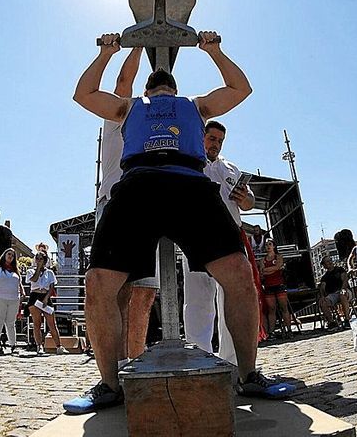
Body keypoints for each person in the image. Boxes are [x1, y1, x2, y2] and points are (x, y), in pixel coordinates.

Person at [65, 31, 292, 414]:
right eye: (158, 90)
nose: (161, 93)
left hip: (189, 183)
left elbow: (240, 89)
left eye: (164, 89)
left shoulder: (195, 107)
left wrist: (213, 50)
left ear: (171, 89)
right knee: (99, 281)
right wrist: (106, 53)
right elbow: (84, 95)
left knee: (238, 272)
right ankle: (108, 384)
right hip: (137, 184)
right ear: (151, 91)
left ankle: (249, 375)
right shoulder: (130, 107)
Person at [98, 47, 159, 364]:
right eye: (148, 92)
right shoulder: (122, 112)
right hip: (114, 200)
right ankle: (117, 370)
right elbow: (123, 81)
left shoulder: (157, 126)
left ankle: (135, 364)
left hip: (144, 207)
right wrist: (139, 42)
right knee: (118, 290)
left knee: (146, 292)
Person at [184, 120, 262, 362]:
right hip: (196, 235)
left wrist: (246, 199)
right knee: (198, 301)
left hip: (230, 238)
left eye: (220, 140)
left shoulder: (230, 168)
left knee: (232, 299)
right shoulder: (189, 162)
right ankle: (201, 361)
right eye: (211, 138)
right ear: (201, 137)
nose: (215, 144)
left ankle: (234, 362)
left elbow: (249, 202)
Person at [26, 251, 67, 356]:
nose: (39, 261)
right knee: (37, 323)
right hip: (35, 296)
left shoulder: (49, 273)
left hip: (45, 296)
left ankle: (59, 346)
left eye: (41, 259)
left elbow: (52, 286)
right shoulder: (30, 271)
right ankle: (39, 346)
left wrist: (46, 299)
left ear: (45, 260)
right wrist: (38, 269)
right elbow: (33, 280)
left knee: (52, 323)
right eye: (37, 259)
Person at [0, 249, 24, 354]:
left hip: (13, 299)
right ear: (4, 255)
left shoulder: (15, 270)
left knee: (11, 323)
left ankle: (13, 345)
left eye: (12, 255)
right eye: (9, 254)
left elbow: (19, 283)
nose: (10, 256)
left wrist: (22, 293)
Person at [259, 239, 293, 338]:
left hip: (279, 285)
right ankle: (271, 332)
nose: (268, 246)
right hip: (269, 286)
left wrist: (268, 270)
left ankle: (289, 330)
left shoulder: (278, 256)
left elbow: (278, 266)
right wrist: (271, 270)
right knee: (271, 309)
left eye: (270, 244)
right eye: (266, 245)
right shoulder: (262, 260)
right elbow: (262, 272)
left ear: (274, 246)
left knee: (284, 308)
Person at [318, 256, 351, 330]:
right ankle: (331, 322)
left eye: (330, 260)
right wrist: (322, 296)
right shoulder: (325, 277)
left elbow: (345, 280)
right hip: (333, 294)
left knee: (342, 295)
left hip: (344, 291)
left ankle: (347, 319)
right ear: (324, 265)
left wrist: (343, 289)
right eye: (327, 261)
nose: (330, 262)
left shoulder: (339, 270)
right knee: (323, 302)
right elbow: (322, 287)